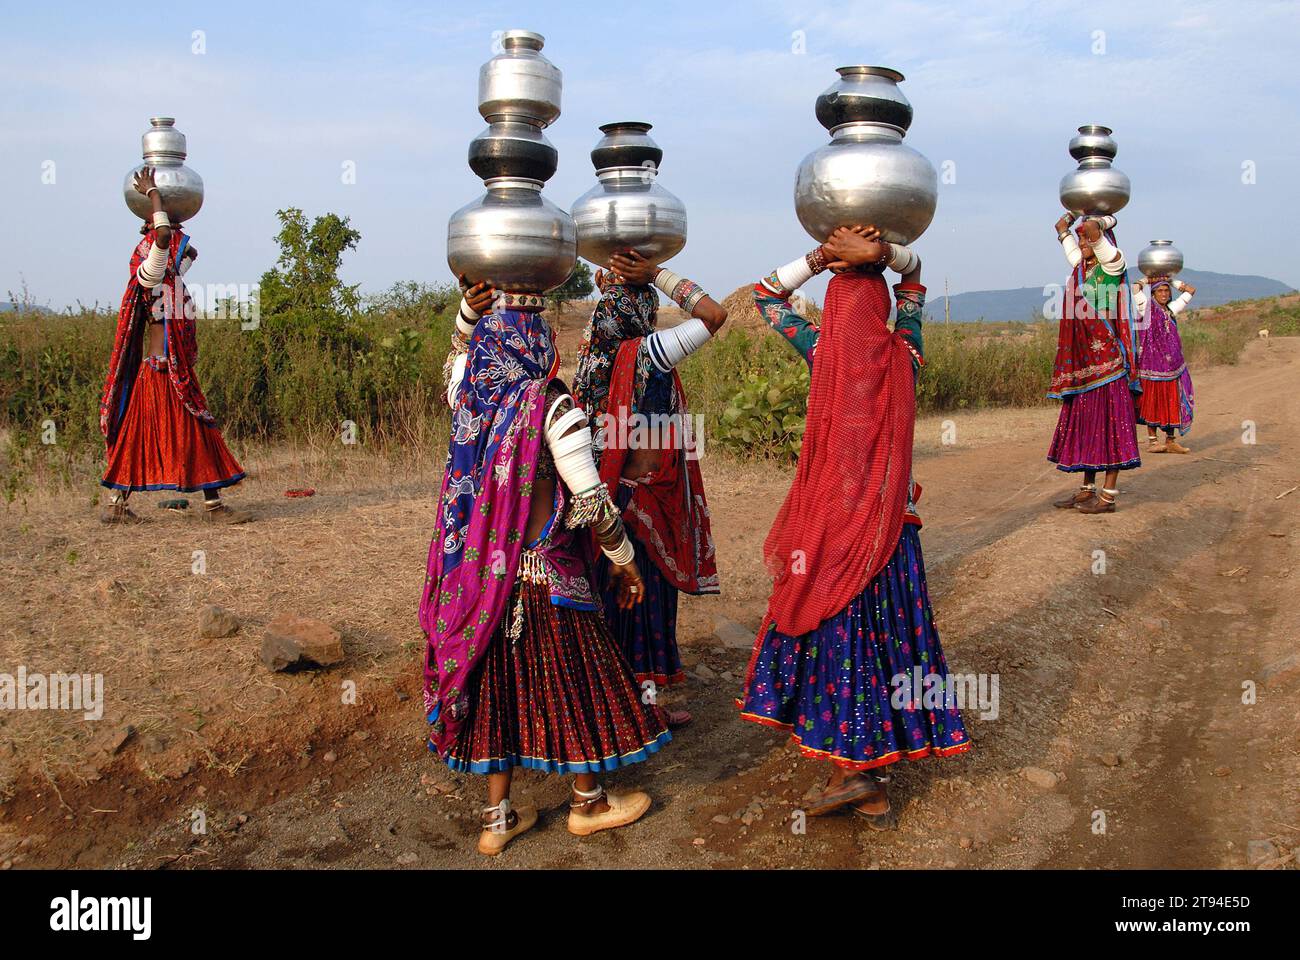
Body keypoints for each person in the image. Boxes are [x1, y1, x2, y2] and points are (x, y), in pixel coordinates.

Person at [420, 278, 670, 856]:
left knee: (497, 692)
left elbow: (455, 365)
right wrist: (624, 561)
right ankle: (588, 802)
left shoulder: (471, 397)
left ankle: (497, 818)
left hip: (484, 583)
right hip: (545, 579)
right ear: (538, 343)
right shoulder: (552, 407)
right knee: (576, 682)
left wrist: (465, 317)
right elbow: (590, 502)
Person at [737, 226, 971, 828]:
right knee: (885, 645)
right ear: (885, 313)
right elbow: (915, 282)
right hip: (892, 536)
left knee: (842, 648)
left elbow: (764, 296)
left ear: (834, 320)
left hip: (833, 535)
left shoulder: (822, 351)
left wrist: (822, 258)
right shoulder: (906, 352)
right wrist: (887, 258)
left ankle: (858, 775)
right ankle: (864, 772)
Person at [571, 250, 726, 729]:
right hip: (642, 501)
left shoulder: (592, 357)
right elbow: (713, 314)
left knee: (611, 597)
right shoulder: (649, 354)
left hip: (605, 498)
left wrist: (618, 286)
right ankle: (642, 708)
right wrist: (657, 274)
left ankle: (615, 703)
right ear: (643, 313)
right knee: (644, 602)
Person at [98, 167, 249, 524]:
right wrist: (154, 199)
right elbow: (164, 237)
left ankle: (116, 506)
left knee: (141, 435)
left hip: (160, 370)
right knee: (197, 428)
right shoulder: (148, 276)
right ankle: (213, 508)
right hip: (165, 370)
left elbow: (185, 249)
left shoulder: (168, 276)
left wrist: (168, 217)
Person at [1047, 213, 1141, 514]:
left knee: (1111, 425)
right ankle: (1087, 490)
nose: (1083, 242)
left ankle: (1108, 496)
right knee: (1089, 424)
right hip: (1085, 366)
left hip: (1109, 363)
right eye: (1081, 239)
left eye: (1088, 238)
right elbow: (1075, 246)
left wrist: (1096, 215)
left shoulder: (1113, 265)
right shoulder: (1081, 271)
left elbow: (1093, 234)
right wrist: (1064, 230)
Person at [1132, 276, 1196, 454]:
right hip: (1151, 364)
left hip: (1172, 366)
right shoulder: (1145, 306)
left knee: (1171, 399)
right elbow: (1135, 289)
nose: (1164, 294)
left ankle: (1170, 440)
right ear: (1153, 293)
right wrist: (1148, 279)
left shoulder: (1170, 309)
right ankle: (1153, 442)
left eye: (1167, 290)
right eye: (1160, 290)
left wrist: (1171, 280)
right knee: (1152, 399)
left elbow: (1190, 291)